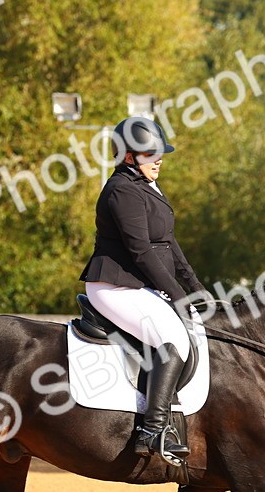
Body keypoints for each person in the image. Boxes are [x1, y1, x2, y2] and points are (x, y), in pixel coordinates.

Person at [79, 116, 208, 463]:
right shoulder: (121, 190)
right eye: (151, 153)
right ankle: (153, 430)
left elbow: (168, 244)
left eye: (159, 152)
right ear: (128, 156)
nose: (159, 158)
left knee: (189, 327)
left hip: (138, 286)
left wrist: (195, 287)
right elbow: (141, 251)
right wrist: (178, 297)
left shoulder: (148, 186)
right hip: (113, 286)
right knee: (174, 338)